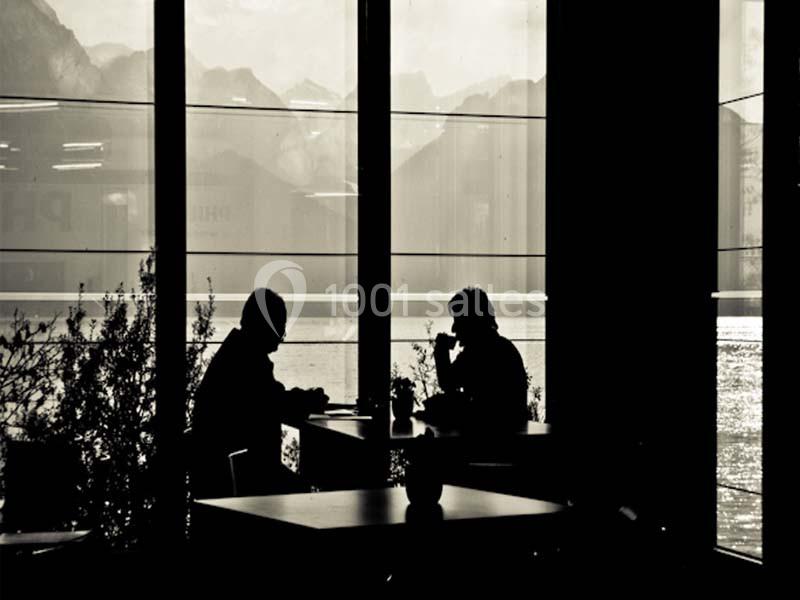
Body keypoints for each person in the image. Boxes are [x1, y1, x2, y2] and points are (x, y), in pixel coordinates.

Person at [190, 288, 328, 499]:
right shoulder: (249, 361)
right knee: (309, 492)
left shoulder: (236, 353)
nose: (282, 336)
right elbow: (275, 403)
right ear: (266, 325)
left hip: (220, 477)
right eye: (280, 327)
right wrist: (308, 400)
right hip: (243, 482)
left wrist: (300, 399)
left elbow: (271, 398)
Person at [430, 287, 529, 430]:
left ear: (471, 321)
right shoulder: (502, 347)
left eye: (458, 320)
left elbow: (447, 382)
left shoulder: (477, 352)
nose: (453, 328)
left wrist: (441, 351)